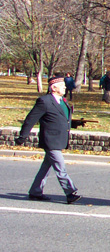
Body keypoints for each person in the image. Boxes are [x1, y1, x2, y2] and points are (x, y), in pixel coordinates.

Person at [15, 74, 87, 204]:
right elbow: (30, 119)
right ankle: (70, 192)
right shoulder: (44, 101)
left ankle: (35, 191)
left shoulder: (62, 101)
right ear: (53, 87)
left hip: (60, 139)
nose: (65, 88)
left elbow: (62, 119)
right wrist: (22, 137)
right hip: (50, 140)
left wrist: (74, 124)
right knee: (60, 167)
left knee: (46, 167)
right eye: (62, 86)